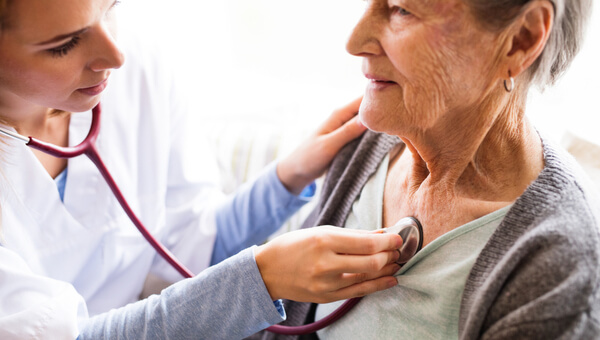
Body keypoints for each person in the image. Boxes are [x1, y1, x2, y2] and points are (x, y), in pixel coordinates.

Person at [0, 0, 406, 338]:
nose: (116, 55)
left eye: (110, 8)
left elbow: (190, 246)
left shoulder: (136, 68)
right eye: (65, 44)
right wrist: (259, 280)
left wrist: (286, 179)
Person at [247, 0, 600, 339]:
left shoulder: (559, 268)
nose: (354, 43)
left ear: (520, 40)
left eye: (402, 9)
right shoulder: (362, 144)